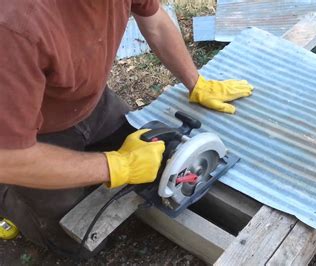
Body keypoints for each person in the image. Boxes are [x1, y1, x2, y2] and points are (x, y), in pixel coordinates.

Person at [0, 0, 253, 257]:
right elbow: (8, 158)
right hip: (28, 137)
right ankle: (8, 200)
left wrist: (196, 82)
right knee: (74, 239)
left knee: (154, 155)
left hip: (87, 101)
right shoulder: (14, 25)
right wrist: (117, 166)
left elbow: (154, 20)